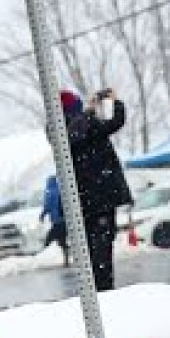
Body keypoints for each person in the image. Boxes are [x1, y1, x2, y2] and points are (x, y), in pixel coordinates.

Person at [60, 88, 133, 291]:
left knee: (92, 245)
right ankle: (103, 287)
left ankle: (97, 286)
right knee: (102, 244)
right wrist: (112, 101)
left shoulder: (62, 131)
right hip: (101, 195)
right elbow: (116, 122)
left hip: (83, 199)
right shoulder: (83, 126)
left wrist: (91, 111)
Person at [38, 174, 68, 265]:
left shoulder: (49, 193)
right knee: (61, 240)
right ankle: (66, 258)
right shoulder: (61, 190)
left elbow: (47, 206)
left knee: (49, 238)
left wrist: (42, 215)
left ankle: (41, 255)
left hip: (56, 221)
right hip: (64, 220)